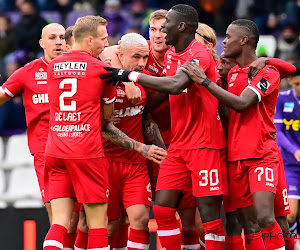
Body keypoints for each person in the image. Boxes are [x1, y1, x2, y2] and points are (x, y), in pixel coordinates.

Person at [101, 4, 227, 250]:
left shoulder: (198, 54)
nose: (158, 33)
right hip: (176, 146)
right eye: (153, 28)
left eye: (164, 25)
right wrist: (126, 76)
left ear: (180, 27)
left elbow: (175, 85)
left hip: (205, 144)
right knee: (161, 209)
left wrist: (128, 76)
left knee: (205, 218)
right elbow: (111, 50)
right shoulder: (169, 53)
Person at [43, 15, 166, 250]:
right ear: (90, 41)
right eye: (103, 38)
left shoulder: (52, 66)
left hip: (56, 149)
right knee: (99, 225)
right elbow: (106, 123)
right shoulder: (100, 70)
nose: (105, 43)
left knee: (60, 222)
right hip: (88, 153)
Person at [181, 19, 287, 249]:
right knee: (244, 223)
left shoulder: (267, 72)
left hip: (261, 155)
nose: (224, 40)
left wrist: (205, 81)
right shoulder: (231, 73)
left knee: (267, 218)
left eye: (228, 37)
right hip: (234, 158)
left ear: (243, 40)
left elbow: (242, 103)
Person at [102, 32, 166, 250]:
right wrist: (125, 77)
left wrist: (162, 151)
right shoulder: (105, 74)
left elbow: (146, 115)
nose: (141, 63)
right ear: (121, 52)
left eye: (145, 58)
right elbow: (103, 128)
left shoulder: (144, 78)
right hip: (105, 161)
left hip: (135, 164)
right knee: (110, 225)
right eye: (136, 57)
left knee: (139, 219)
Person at [0, 22, 65, 221]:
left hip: (77, 148)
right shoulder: (28, 72)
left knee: (83, 214)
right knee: (55, 212)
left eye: (62, 37)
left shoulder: (82, 70)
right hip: (44, 150)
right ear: (42, 43)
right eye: (52, 38)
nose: (58, 42)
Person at [274, 61, 300, 249]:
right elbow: (278, 131)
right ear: (290, 82)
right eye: (297, 84)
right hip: (290, 164)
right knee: (290, 214)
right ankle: (293, 243)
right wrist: (294, 150)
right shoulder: (282, 99)